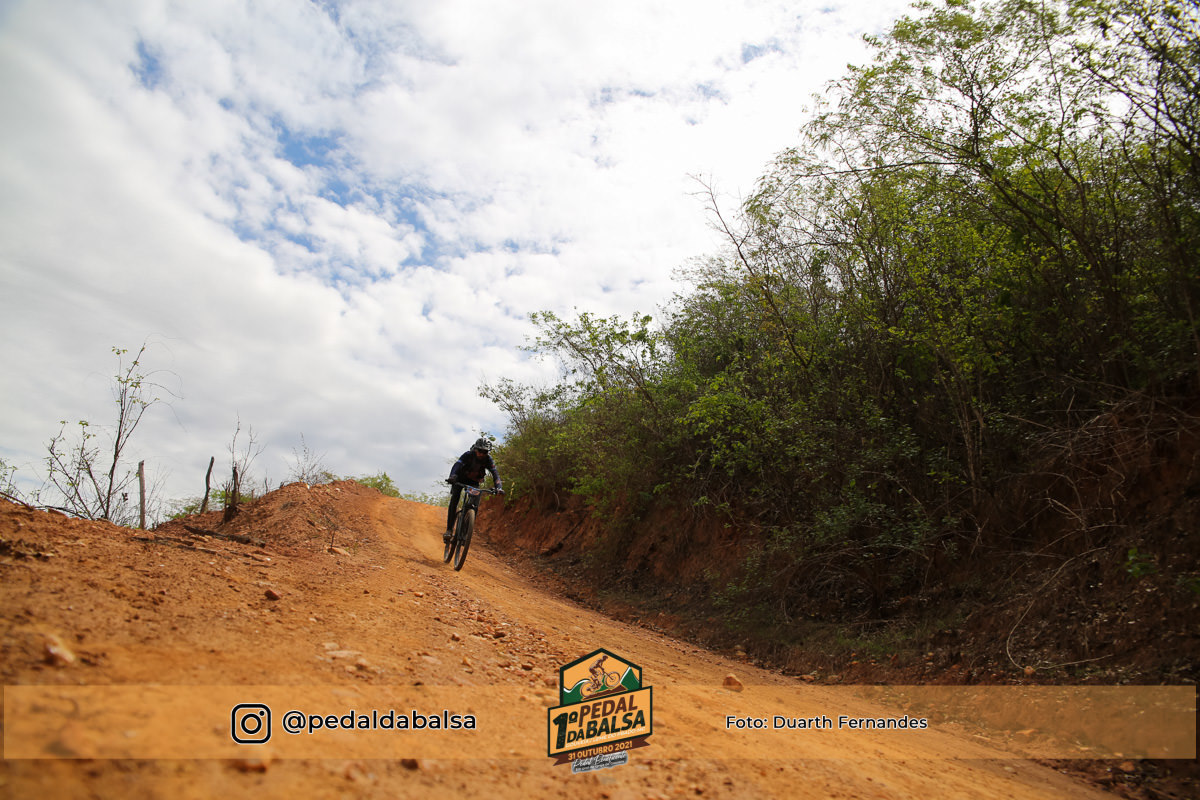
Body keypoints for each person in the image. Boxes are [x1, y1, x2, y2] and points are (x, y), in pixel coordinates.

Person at [445, 437, 503, 542]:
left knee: (474, 505)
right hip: (459, 480)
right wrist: (452, 477)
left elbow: (495, 473)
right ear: (475, 449)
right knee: (455, 500)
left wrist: (499, 487)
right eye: (480, 450)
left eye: (485, 451)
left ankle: (465, 531)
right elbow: (457, 465)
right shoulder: (468, 455)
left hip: (473, 482)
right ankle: (449, 530)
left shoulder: (488, 459)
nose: (482, 454)